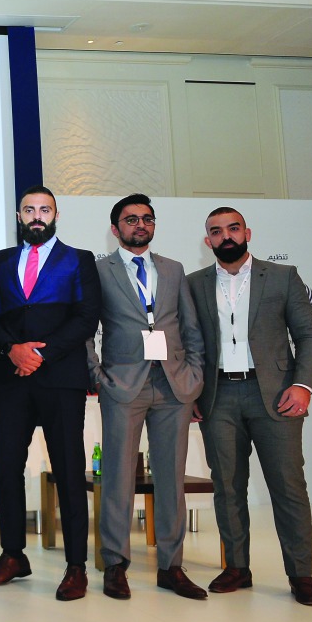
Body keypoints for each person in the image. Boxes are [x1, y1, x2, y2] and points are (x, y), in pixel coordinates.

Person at [188, 207, 312, 606]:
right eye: (216, 231)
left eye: (232, 228)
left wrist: (303, 385)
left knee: (288, 487)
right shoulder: (194, 284)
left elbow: (308, 336)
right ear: (207, 240)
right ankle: (237, 568)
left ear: (247, 232)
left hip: (276, 396)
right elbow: (187, 344)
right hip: (218, 398)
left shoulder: (282, 276)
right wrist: (192, 392)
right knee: (227, 487)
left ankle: (301, 574)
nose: (225, 236)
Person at [0, 186, 101, 601]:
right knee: (8, 470)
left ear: (56, 214)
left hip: (60, 379)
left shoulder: (79, 260)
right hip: (9, 378)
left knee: (69, 472)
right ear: (18, 216)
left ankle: (76, 566)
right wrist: (10, 348)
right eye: (29, 210)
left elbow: (87, 318)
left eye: (44, 210)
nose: (37, 216)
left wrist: (40, 355)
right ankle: (13, 555)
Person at [88, 193, 206, 600]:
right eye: (131, 219)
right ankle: (115, 565)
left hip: (173, 386)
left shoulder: (173, 270)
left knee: (171, 478)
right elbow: (86, 329)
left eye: (147, 219)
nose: (141, 225)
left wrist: (194, 377)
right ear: (115, 228)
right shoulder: (99, 271)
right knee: (119, 478)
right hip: (123, 386)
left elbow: (191, 328)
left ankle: (171, 567)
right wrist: (98, 376)